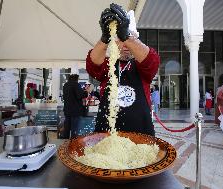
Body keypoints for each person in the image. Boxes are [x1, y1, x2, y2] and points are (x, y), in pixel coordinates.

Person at [86, 4, 160, 136]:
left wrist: (126, 36)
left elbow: (152, 60)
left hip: (140, 135)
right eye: (121, 39)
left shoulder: (141, 64)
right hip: (107, 135)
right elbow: (93, 65)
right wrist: (104, 38)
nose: (126, 45)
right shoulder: (108, 63)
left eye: (130, 38)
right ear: (114, 42)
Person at [63, 74, 88, 138]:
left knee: (67, 128)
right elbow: (79, 95)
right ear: (76, 79)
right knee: (74, 129)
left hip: (67, 109)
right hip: (75, 110)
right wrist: (86, 92)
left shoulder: (65, 85)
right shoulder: (76, 84)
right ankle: (73, 144)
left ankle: (64, 143)